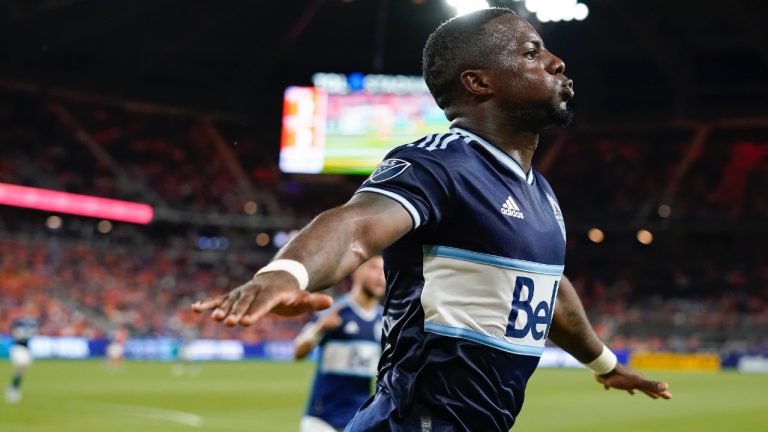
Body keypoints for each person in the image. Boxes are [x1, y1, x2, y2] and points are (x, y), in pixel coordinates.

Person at [193, 8, 672, 431]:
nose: (556, 62)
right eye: (531, 53)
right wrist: (285, 273)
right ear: (478, 82)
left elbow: (548, 290)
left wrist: (604, 363)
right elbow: (358, 226)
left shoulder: (541, 194)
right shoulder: (442, 162)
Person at [295, 256, 385, 432]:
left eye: (384, 270)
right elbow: (298, 351)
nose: (380, 276)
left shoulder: (385, 321)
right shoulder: (336, 311)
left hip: (360, 420)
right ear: (357, 271)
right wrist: (319, 329)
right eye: (374, 268)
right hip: (321, 420)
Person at [5, 306, 38, 404]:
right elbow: (13, 331)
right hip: (18, 347)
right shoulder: (19, 321)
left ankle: (14, 387)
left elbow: (33, 334)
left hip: (27, 349)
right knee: (21, 364)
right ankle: (13, 389)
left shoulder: (33, 322)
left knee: (21, 371)